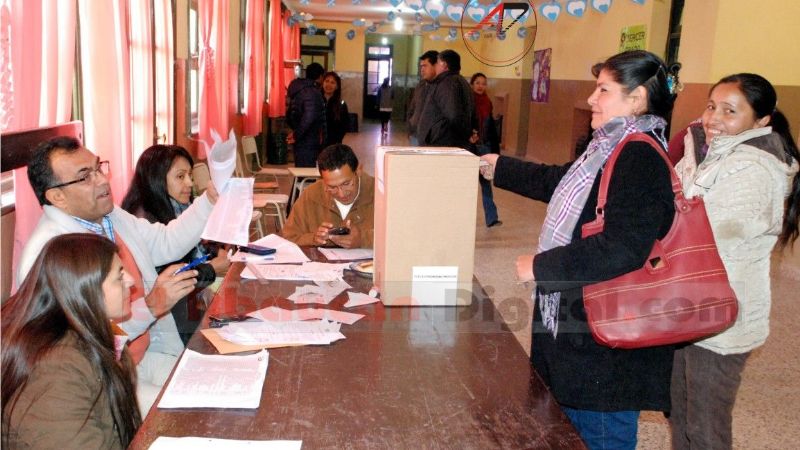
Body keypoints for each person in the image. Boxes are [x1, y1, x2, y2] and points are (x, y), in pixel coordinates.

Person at [480, 50, 681, 449]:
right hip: (580, 330)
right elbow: (561, 182)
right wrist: (498, 167)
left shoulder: (638, 156)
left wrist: (542, 267)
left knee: (599, 433)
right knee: (565, 429)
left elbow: (623, 246)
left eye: (603, 90)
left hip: (606, 348)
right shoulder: (606, 149)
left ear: (637, 98)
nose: (591, 99)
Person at [19, 136, 217, 413]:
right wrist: (150, 306)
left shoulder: (108, 215)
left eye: (99, 168)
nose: (102, 181)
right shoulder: (50, 252)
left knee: (215, 388)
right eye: (85, 177)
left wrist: (208, 200)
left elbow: (164, 242)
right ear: (57, 196)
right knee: (189, 413)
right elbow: (78, 346)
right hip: (104, 380)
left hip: (147, 353)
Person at [669, 73, 800, 450]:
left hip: (723, 320)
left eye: (730, 111)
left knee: (706, 425)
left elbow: (707, 230)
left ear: (762, 121)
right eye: (711, 106)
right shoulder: (705, 152)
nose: (714, 119)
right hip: (687, 306)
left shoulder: (756, 167)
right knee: (682, 413)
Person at [2, 234, 141, 448]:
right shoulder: (56, 367)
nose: (131, 280)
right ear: (85, 290)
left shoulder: (91, 331)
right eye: (119, 276)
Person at [121, 144, 230, 345]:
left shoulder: (177, 206)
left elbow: (196, 245)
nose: (189, 183)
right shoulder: (144, 218)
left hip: (187, 305)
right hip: (170, 322)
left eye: (190, 175)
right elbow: (169, 278)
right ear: (156, 178)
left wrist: (215, 252)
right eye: (180, 176)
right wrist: (212, 268)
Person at [281, 144, 374, 249]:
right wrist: (313, 239)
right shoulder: (311, 195)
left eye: (346, 183)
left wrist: (362, 240)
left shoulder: (381, 195)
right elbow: (288, 237)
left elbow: (395, 239)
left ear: (358, 170)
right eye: (332, 187)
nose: (341, 194)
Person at [416, 49, 475, 149]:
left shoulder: (448, 82)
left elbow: (453, 115)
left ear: (444, 64)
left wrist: (467, 134)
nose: (436, 66)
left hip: (442, 142)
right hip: (446, 141)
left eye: (437, 63)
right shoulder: (460, 81)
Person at [468, 72, 502, 228]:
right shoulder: (467, 102)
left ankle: (491, 218)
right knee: (466, 183)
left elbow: (491, 128)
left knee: (486, 182)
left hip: (484, 147)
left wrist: (494, 149)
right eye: (477, 83)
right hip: (470, 148)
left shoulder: (488, 103)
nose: (480, 86)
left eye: (483, 83)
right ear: (472, 84)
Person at [287, 62, 326, 167]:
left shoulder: (299, 89)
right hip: (308, 139)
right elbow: (309, 117)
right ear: (320, 77)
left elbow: (290, 111)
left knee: (301, 167)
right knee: (307, 171)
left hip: (302, 137)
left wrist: (296, 131)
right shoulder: (312, 92)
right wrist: (297, 134)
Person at [406, 50, 438, 146]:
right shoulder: (421, 85)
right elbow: (412, 108)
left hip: (431, 138)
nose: (422, 69)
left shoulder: (441, 88)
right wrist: (409, 127)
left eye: (425, 66)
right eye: (421, 66)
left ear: (436, 65)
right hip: (415, 134)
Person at [321, 71, 350, 148]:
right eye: (327, 81)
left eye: (332, 82)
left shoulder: (341, 104)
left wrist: (335, 141)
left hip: (333, 145)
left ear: (337, 86)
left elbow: (344, 126)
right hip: (316, 144)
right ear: (322, 83)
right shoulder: (315, 100)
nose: (329, 85)